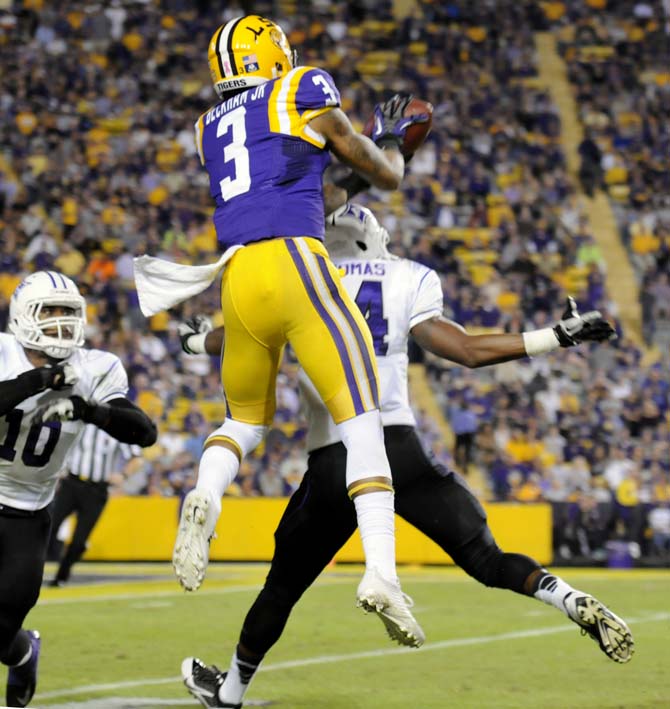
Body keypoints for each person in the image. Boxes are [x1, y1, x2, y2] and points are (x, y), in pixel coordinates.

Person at [177, 205, 633, 708]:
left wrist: (197, 340)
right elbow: (465, 351)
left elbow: (242, 335)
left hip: (333, 456)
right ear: (376, 238)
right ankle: (566, 598)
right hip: (399, 449)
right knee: (486, 557)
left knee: (282, 588)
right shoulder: (407, 275)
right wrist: (556, 336)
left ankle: (231, 692)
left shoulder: (308, 277)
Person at [137, 14, 430, 647]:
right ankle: (381, 573)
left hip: (238, 276)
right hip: (296, 260)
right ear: (273, 54)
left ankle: (205, 496)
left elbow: (300, 179)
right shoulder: (299, 86)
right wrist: (391, 139)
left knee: (243, 419)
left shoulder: (206, 128)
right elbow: (384, 175)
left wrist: (354, 148)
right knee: (363, 425)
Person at [0, 270, 157, 707]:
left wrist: (89, 410)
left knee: (3, 630)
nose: (60, 322)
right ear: (22, 315)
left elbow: (144, 432)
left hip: (28, 513)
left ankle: (24, 652)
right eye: (49, 311)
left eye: (68, 312)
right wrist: (40, 382)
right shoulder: (2, 352)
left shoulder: (94, 368)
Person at [47, 423, 142, 587]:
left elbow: (137, 457)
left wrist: (123, 475)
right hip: (72, 483)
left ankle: (61, 577)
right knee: (47, 526)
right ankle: (27, 568)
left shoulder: (117, 427)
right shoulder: (82, 422)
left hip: (97, 490)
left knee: (79, 540)